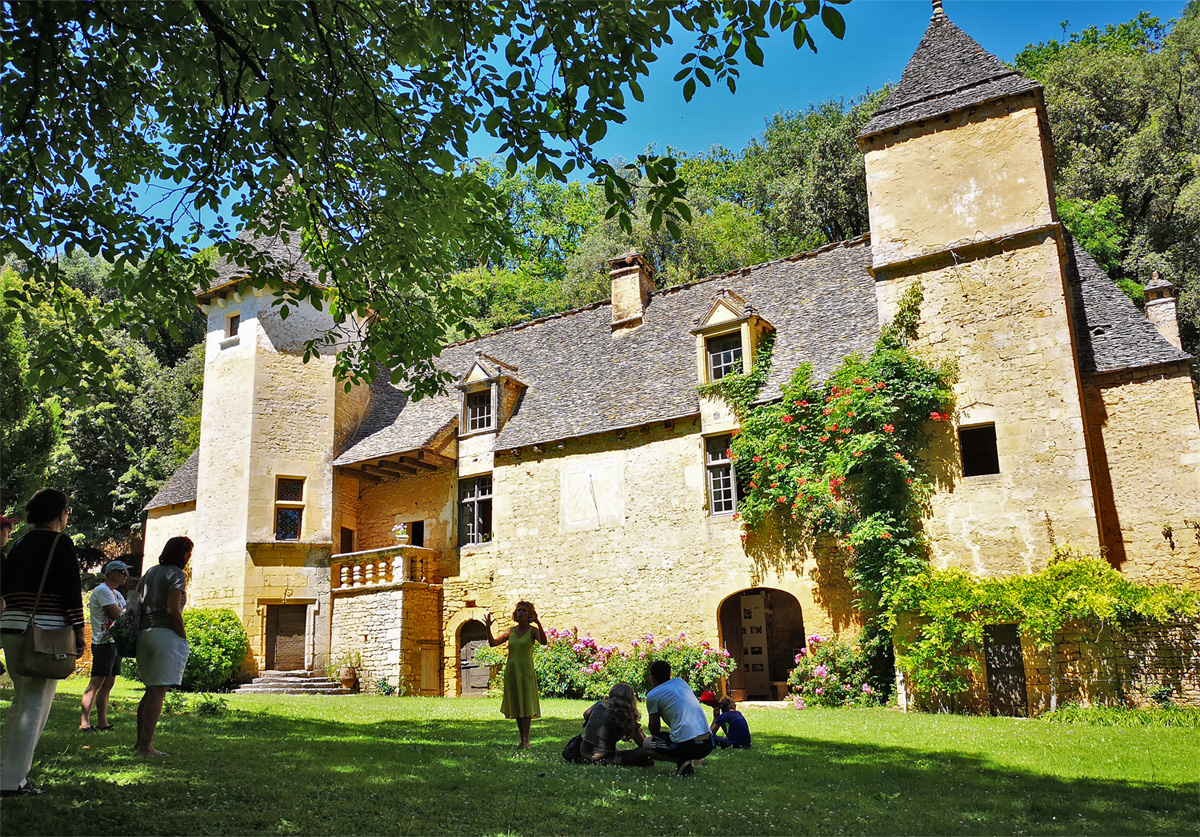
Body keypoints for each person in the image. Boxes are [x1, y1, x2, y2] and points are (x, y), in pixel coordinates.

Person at [0, 489, 85, 797]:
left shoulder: (20, 543)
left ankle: (8, 773)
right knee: (34, 707)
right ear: (60, 513)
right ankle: (11, 780)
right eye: (67, 510)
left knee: (22, 702)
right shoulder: (60, 543)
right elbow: (70, 592)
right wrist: (78, 631)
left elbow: (6, 587)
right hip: (43, 634)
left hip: (12, 627)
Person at [133, 536, 192, 757]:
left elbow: (135, 604)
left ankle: (139, 744)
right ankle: (147, 747)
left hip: (144, 634)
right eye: (188, 552)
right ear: (182, 554)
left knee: (150, 690)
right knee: (158, 692)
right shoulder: (175, 574)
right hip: (165, 635)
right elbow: (172, 609)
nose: (189, 557)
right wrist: (183, 636)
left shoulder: (149, 573)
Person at [484, 600, 546, 749]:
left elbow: (544, 642)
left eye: (524, 610)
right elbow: (493, 643)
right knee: (517, 704)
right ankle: (521, 739)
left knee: (526, 703)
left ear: (529, 614)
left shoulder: (532, 631)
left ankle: (526, 740)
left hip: (526, 672)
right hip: (512, 671)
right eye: (518, 610)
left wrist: (538, 623)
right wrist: (487, 629)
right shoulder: (510, 631)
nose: (520, 613)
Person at [80, 560, 131, 732]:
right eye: (122, 572)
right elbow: (118, 615)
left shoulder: (117, 594)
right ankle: (84, 723)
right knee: (96, 682)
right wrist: (131, 612)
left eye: (126, 573)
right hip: (103, 643)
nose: (125, 576)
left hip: (115, 642)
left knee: (108, 684)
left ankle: (103, 722)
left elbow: (127, 614)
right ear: (110, 574)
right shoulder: (102, 590)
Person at [641, 659, 715, 776]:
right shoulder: (681, 682)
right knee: (681, 735)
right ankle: (687, 763)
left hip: (687, 745)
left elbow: (654, 730)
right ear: (669, 674)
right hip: (707, 744)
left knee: (646, 744)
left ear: (652, 677)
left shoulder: (653, 695)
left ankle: (682, 761)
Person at [576, 682, 651, 766]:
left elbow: (585, 714)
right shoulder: (625, 717)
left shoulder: (598, 705)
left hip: (583, 756)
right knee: (645, 752)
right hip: (603, 759)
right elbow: (643, 743)